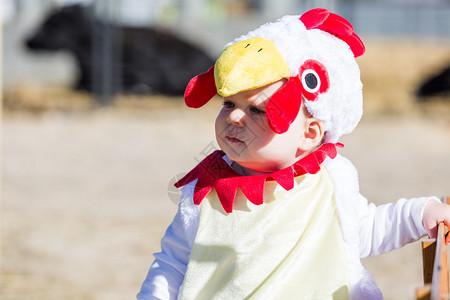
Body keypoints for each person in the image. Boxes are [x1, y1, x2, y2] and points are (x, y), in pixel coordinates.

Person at [137, 8, 449, 299]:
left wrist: (420, 214)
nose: (233, 118)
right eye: (229, 104)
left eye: (257, 110)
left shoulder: (328, 183)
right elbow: (174, 262)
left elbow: (367, 229)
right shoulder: (205, 191)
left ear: (309, 133)